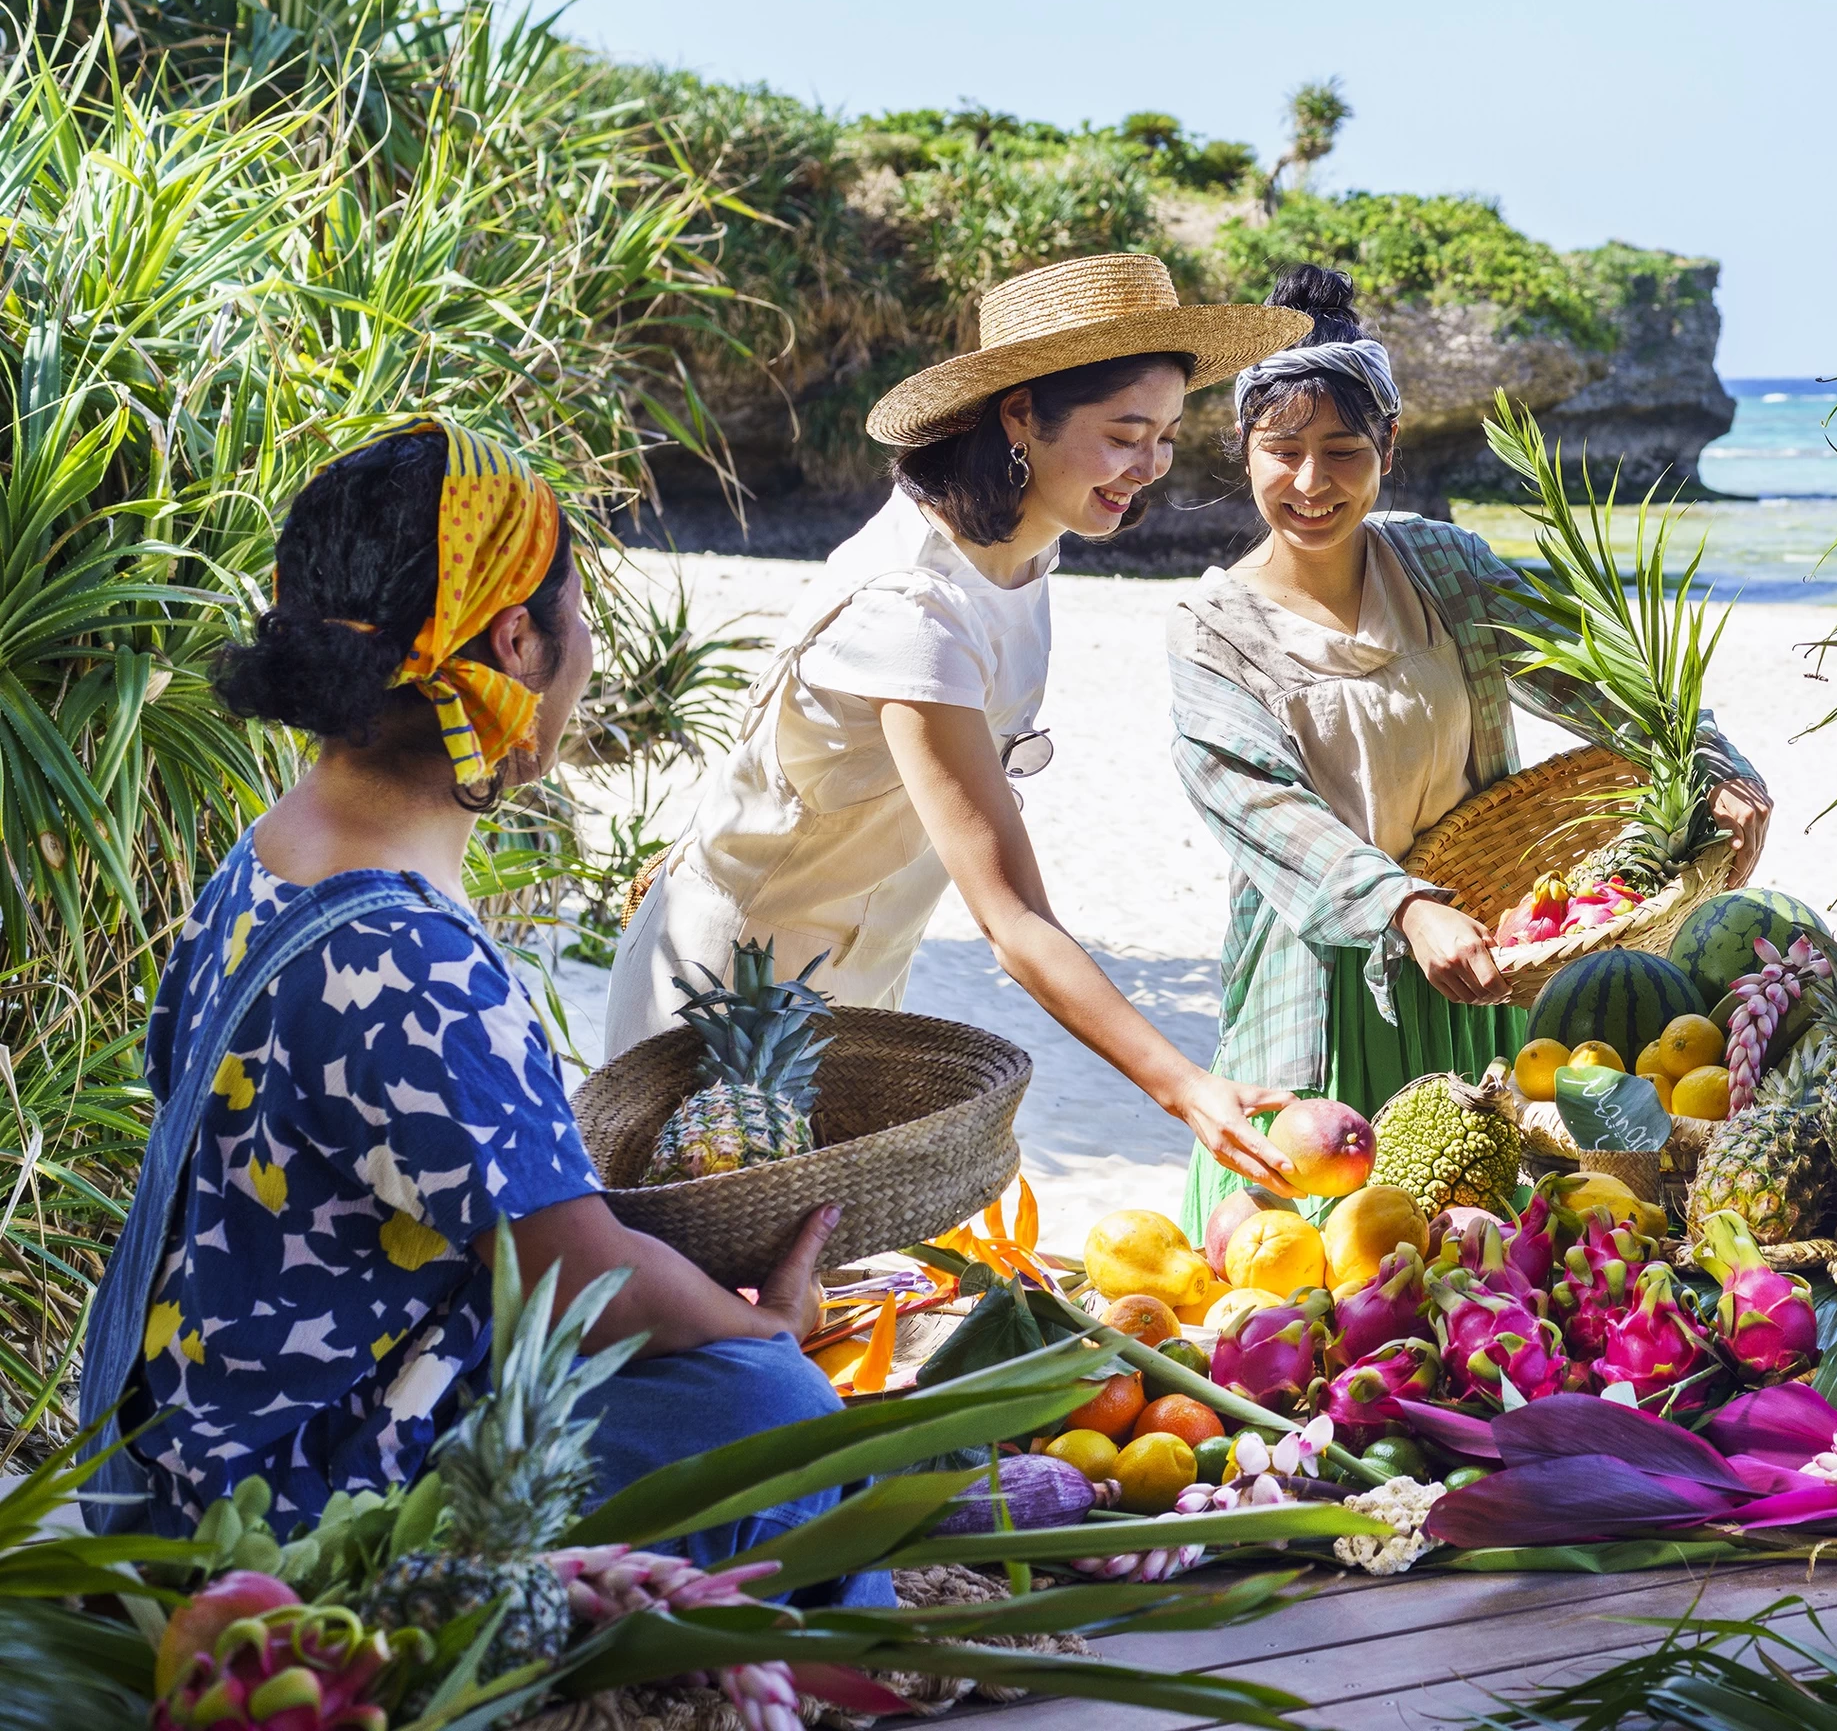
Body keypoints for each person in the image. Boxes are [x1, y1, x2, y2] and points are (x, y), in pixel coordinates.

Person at [75, 421, 883, 1600]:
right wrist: (765, 1323)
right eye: (576, 609)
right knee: (771, 1408)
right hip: (284, 1508)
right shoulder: (409, 954)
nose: (587, 642)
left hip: (180, 1447)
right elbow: (575, 1278)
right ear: (518, 639)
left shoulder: (269, 858)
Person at [607, 253, 1313, 1192]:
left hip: (855, 985)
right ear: (1021, 414)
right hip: (725, 997)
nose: (1149, 469)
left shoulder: (1023, 555)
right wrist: (1185, 1086)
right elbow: (1011, 917)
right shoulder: (915, 610)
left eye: (1169, 437)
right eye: (1124, 435)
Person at [1168, 267, 1773, 1236]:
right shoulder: (1214, 628)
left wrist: (1712, 760)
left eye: (1342, 450)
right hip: (1322, 984)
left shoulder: (1446, 569)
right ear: (1241, 448)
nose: (1312, 482)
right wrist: (1403, 905)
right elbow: (1266, 810)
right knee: (1297, 1265)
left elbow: (1598, 676)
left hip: (1481, 967)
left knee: (1473, 1245)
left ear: (1390, 447)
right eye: (1282, 450)